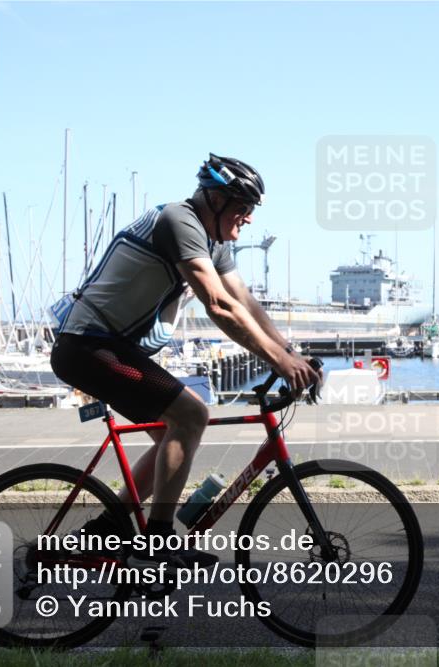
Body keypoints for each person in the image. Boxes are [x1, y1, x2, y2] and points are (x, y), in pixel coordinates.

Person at [49, 154, 322, 568]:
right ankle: (156, 547)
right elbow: (218, 305)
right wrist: (278, 363)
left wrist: (288, 353)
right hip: (88, 345)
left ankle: (107, 529)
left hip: (111, 347)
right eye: (242, 207)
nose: (247, 219)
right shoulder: (179, 222)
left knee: (169, 440)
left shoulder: (213, 241)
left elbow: (244, 301)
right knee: (191, 415)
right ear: (214, 198)